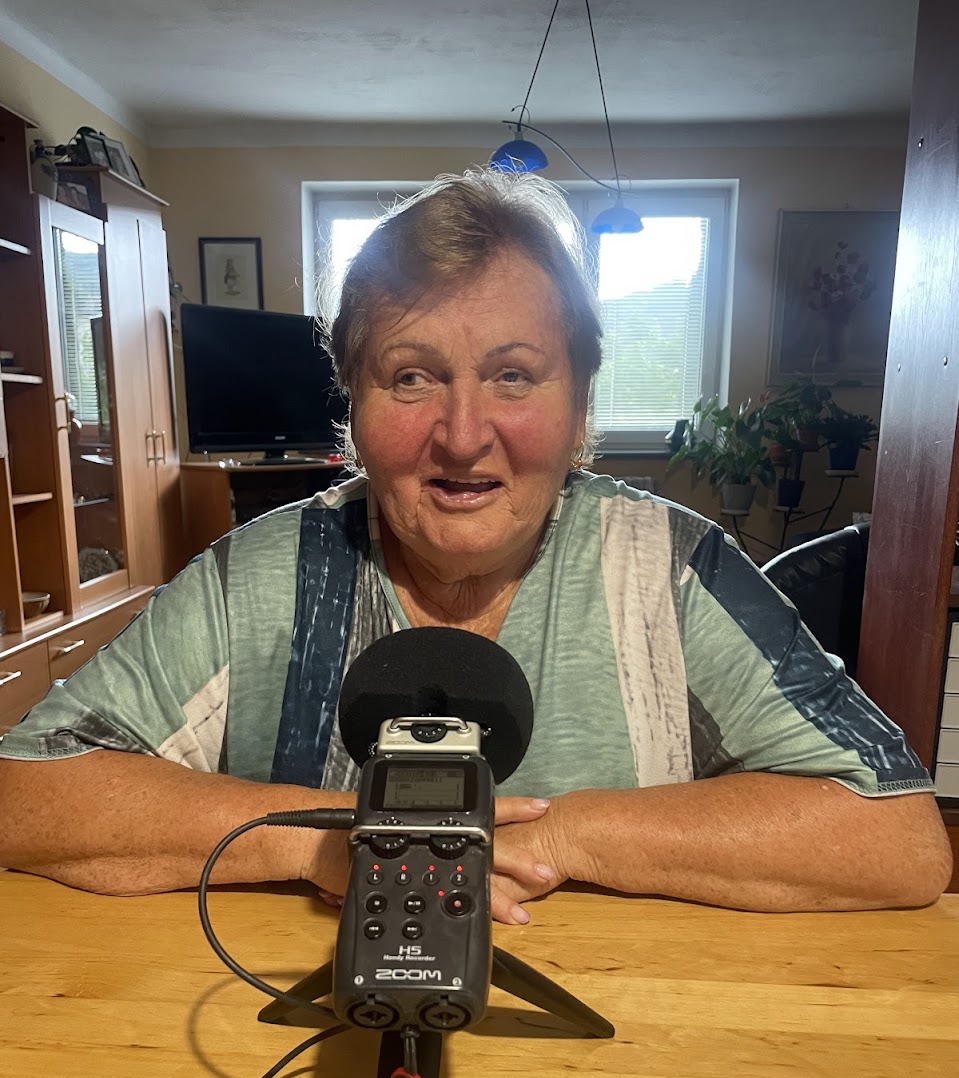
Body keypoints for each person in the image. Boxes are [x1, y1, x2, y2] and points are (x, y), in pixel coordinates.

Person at [0, 170, 951, 921]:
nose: (462, 436)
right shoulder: (253, 575)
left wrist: (561, 835)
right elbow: (24, 792)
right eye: (411, 377)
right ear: (353, 407)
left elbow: (898, 836)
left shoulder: (672, 569)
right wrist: (325, 838)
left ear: (579, 407)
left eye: (513, 375)